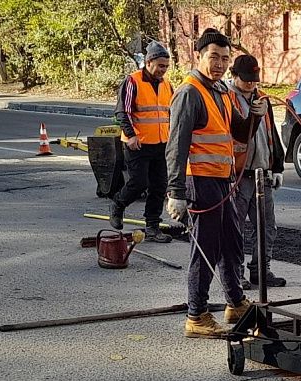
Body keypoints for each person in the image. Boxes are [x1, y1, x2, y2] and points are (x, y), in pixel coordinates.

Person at [165, 28, 266, 338]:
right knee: (206, 249)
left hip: (222, 182)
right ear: (199, 56)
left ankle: (235, 302)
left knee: (232, 243)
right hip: (200, 183)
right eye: (214, 57)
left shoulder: (220, 91)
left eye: (224, 58)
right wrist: (176, 193)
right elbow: (176, 145)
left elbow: (238, 131)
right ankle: (196, 315)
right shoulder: (190, 92)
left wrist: (256, 116)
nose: (220, 63)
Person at [227, 54, 287, 289]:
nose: (251, 83)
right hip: (240, 175)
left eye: (254, 79)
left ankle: (261, 271)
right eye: (246, 79)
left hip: (262, 173)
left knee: (267, 226)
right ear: (234, 76)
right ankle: (236, 273)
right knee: (236, 227)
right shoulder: (227, 99)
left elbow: (272, 134)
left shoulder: (263, 99)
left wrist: (277, 167)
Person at [109, 41, 174, 243]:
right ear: (148, 62)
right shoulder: (132, 81)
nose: (163, 70)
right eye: (160, 66)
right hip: (137, 144)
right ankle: (118, 204)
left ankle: (152, 227)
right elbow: (122, 112)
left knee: (159, 186)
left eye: (166, 66)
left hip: (161, 144)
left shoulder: (167, 85)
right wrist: (131, 135)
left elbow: (170, 113)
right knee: (139, 183)